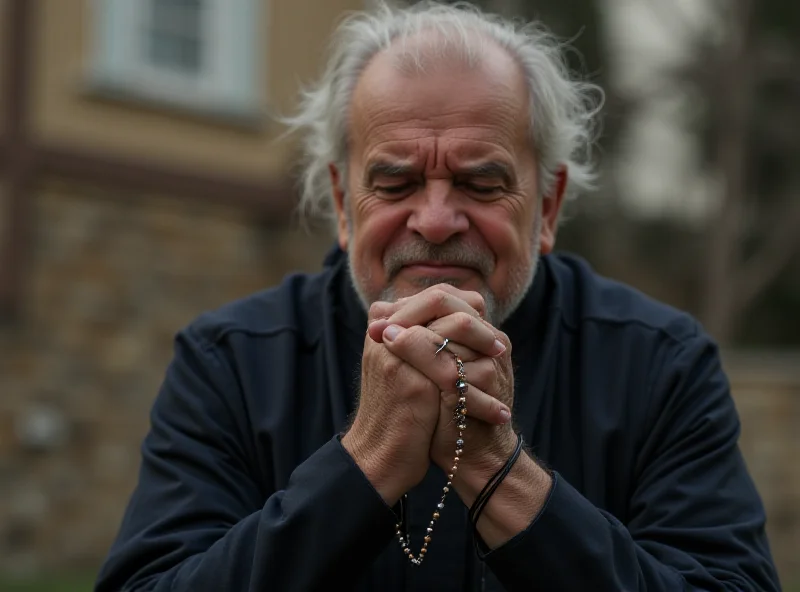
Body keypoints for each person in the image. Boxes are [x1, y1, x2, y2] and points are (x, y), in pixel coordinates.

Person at [95, 2, 781, 591]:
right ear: (342, 201)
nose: (434, 221)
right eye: (393, 184)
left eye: (481, 184)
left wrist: (500, 472)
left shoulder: (661, 363)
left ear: (547, 206)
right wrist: (364, 462)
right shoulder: (231, 363)